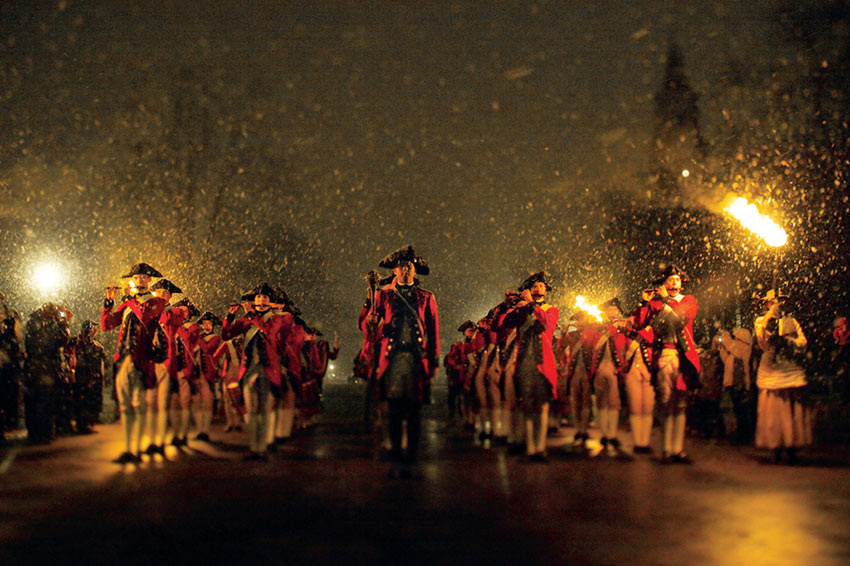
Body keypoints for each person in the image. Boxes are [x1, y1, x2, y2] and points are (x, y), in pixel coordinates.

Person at [371, 246, 439, 476]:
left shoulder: (426, 297)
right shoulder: (383, 295)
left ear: (414, 271)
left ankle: (411, 453)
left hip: (416, 358)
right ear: (394, 272)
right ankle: (396, 454)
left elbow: (433, 331)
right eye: (401, 268)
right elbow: (368, 325)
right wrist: (371, 320)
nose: (405, 271)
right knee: (392, 408)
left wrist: (434, 360)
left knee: (414, 409)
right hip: (391, 357)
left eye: (408, 267)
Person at [101, 263, 167, 463]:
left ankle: (137, 450)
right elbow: (107, 325)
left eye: (142, 278)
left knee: (139, 405)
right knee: (126, 406)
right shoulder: (129, 303)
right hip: (123, 359)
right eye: (136, 278)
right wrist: (108, 303)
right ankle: (129, 448)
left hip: (141, 360)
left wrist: (130, 301)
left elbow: (146, 317)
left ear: (149, 281)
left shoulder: (157, 302)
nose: (139, 281)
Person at [633, 264, 700, 464]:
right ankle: (666, 450)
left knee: (679, 404)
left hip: (682, 355)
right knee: (666, 402)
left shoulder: (688, 300)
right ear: (663, 283)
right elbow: (641, 325)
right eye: (670, 279)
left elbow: (682, 317)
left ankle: (677, 449)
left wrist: (663, 299)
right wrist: (643, 303)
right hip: (664, 353)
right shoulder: (655, 303)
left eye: (676, 280)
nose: (673, 282)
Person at [222, 283, 295, 461]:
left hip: (269, 369)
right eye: (258, 297)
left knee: (265, 409)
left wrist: (251, 314)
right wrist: (230, 316)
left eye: (264, 297)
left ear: (270, 301)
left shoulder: (277, 318)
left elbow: (267, 331)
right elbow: (227, 334)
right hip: (248, 369)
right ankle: (254, 448)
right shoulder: (248, 319)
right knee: (252, 410)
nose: (260, 299)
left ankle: (263, 447)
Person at [501, 272, 559, 461]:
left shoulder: (551, 309)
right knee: (526, 406)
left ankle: (540, 448)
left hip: (543, 363)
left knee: (541, 406)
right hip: (525, 361)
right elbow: (501, 327)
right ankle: (530, 448)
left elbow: (547, 323)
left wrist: (531, 305)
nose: (537, 288)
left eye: (541, 285)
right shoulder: (522, 310)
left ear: (546, 290)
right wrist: (509, 305)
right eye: (534, 285)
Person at [754, 289, 811, 464]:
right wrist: (771, 320)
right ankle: (775, 447)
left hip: (790, 368)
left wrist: (788, 342)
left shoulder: (791, 321)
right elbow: (763, 342)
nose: (777, 305)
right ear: (767, 304)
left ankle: (791, 446)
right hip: (771, 370)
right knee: (773, 412)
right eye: (773, 302)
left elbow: (802, 343)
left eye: (779, 302)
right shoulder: (761, 321)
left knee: (792, 411)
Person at [23, 303, 73, 444]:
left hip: (35, 368)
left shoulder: (33, 323)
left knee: (35, 402)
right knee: (44, 402)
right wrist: (63, 323)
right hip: (44, 370)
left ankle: (35, 433)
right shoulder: (44, 325)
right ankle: (42, 434)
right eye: (53, 312)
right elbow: (60, 340)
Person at [592, 298, 629, 457]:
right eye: (610, 310)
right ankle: (604, 433)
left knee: (614, 402)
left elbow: (626, 347)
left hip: (615, 368)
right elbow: (595, 346)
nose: (612, 312)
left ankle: (612, 434)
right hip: (600, 367)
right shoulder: (599, 327)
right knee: (602, 401)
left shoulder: (624, 328)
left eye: (615, 309)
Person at [719, 328, 754, 444]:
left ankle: (744, 436)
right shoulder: (734, 353)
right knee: (736, 410)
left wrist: (724, 337)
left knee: (742, 410)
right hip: (732, 383)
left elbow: (731, 346)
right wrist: (722, 346)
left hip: (741, 383)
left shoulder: (743, 349)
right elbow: (725, 358)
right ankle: (739, 434)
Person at [72, 321, 106, 434]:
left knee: (89, 400)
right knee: (85, 400)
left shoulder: (91, 343)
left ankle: (87, 423)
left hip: (90, 376)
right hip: (86, 376)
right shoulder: (84, 342)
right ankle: (84, 425)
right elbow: (88, 357)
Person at [0, 293, 24, 438]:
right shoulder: (10, 315)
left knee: (8, 396)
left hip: (8, 362)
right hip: (8, 362)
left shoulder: (9, 315)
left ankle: (7, 423)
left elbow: (17, 339)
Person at [195, 311, 222, 442]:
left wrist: (198, 339)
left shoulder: (215, 337)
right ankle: (199, 430)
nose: (207, 326)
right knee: (198, 403)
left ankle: (205, 430)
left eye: (209, 324)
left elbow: (207, 349)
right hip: (196, 372)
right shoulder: (198, 337)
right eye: (204, 323)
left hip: (207, 373)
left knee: (208, 401)